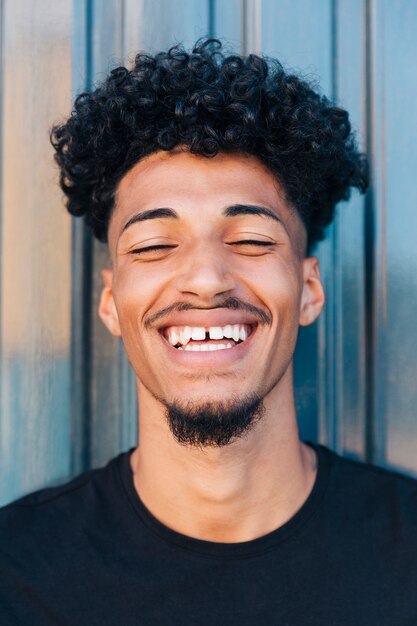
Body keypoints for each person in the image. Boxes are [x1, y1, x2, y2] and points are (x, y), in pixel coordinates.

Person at [0, 39, 416, 625]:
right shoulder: (14, 576)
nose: (204, 278)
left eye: (250, 239)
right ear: (113, 302)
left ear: (309, 290)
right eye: (153, 245)